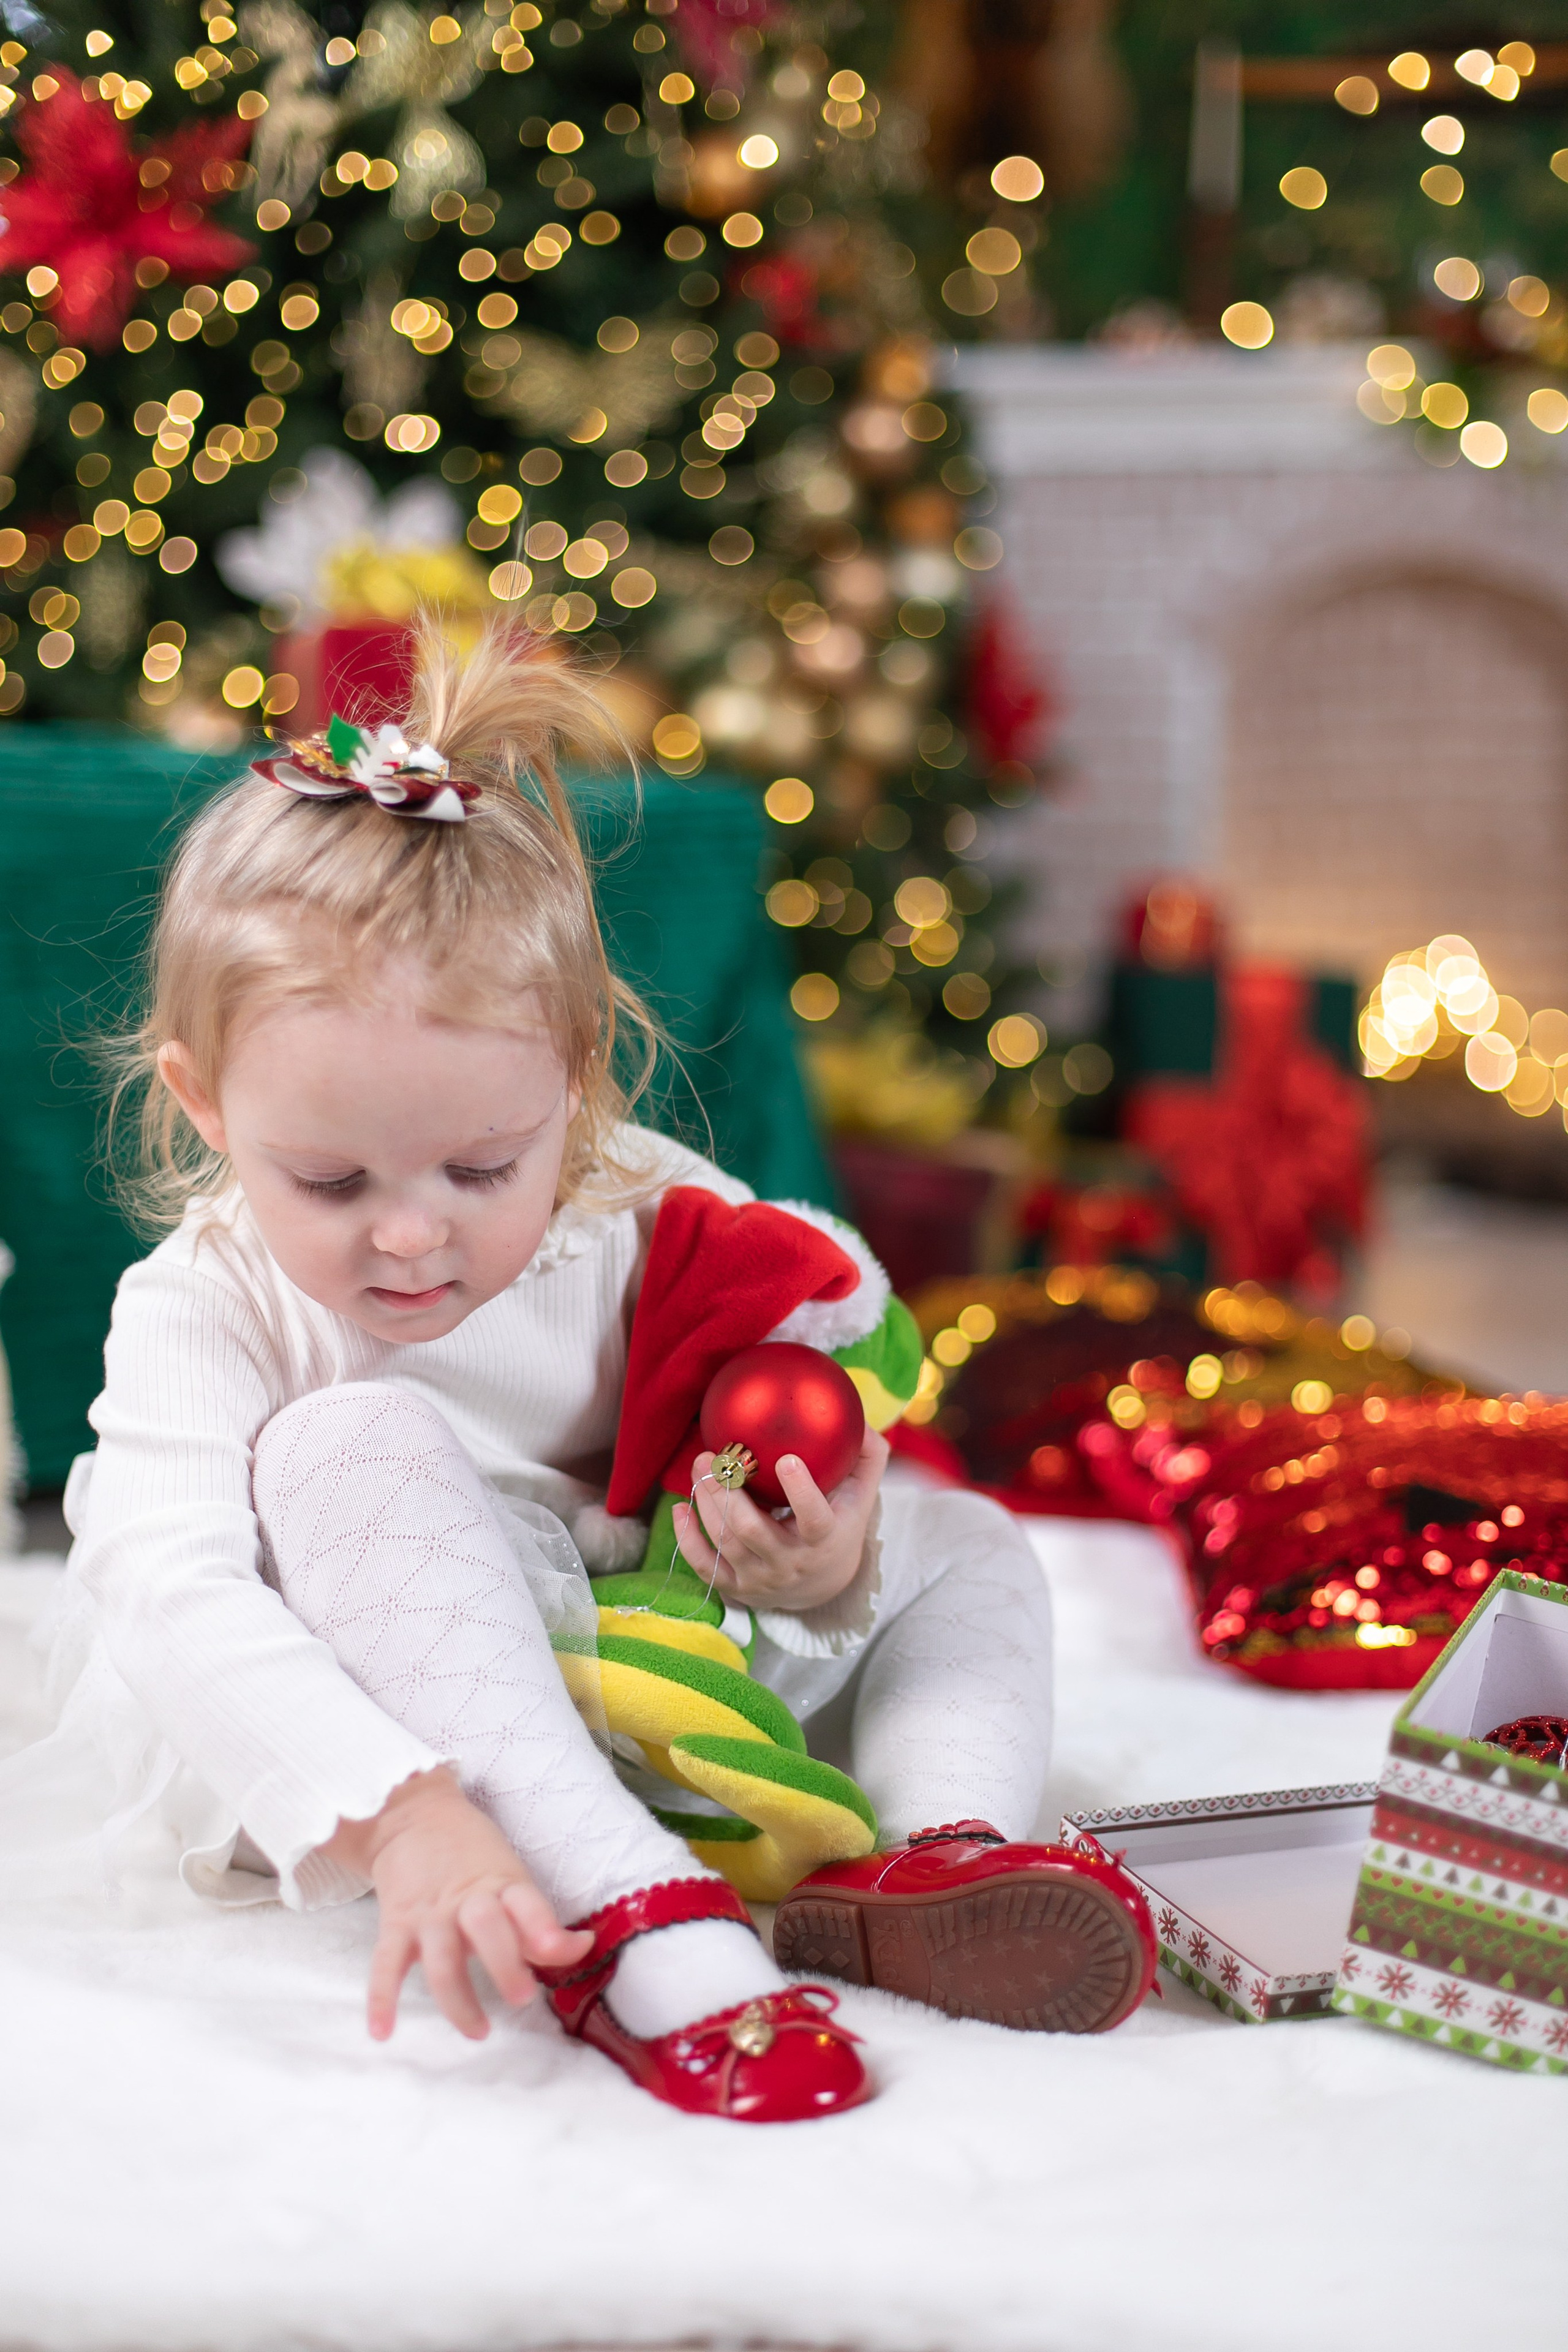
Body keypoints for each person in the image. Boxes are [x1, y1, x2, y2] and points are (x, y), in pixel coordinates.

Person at [0, 619, 1150, 2124]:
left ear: (577, 1075)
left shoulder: (634, 1207)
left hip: (639, 1641)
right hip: (388, 1694)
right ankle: (627, 1913)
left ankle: (935, 1861)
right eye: (330, 1181)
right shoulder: (204, 1304)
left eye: (484, 1165)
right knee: (347, 1441)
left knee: (969, 1542)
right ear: (207, 1105)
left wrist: (814, 1561)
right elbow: (166, 1582)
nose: (410, 1236)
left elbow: (788, 1375)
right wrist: (401, 1812)